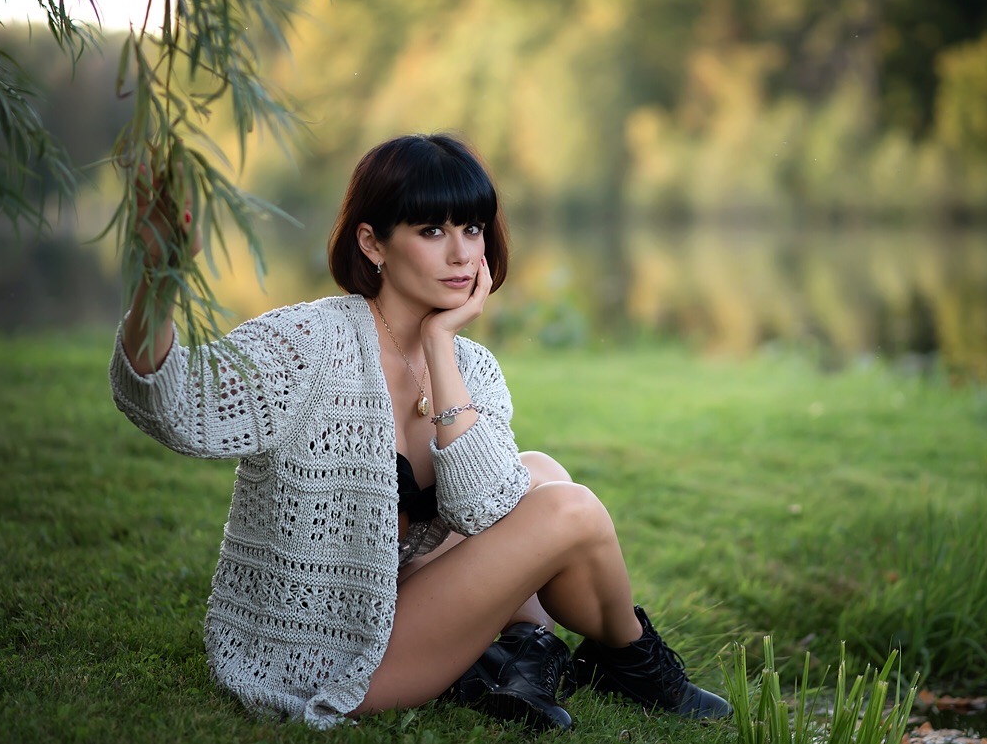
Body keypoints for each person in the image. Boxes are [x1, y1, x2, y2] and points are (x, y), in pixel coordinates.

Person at [109, 132, 730, 731]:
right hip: (331, 651)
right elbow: (174, 406)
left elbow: (486, 507)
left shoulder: (471, 366)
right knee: (570, 510)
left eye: (472, 229)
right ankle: (637, 666)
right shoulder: (307, 344)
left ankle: (523, 659)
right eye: (432, 231)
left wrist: (439, 343)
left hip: (402, 605)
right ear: (372, 243)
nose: (462, 255)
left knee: (538, 472)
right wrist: (158, 279)